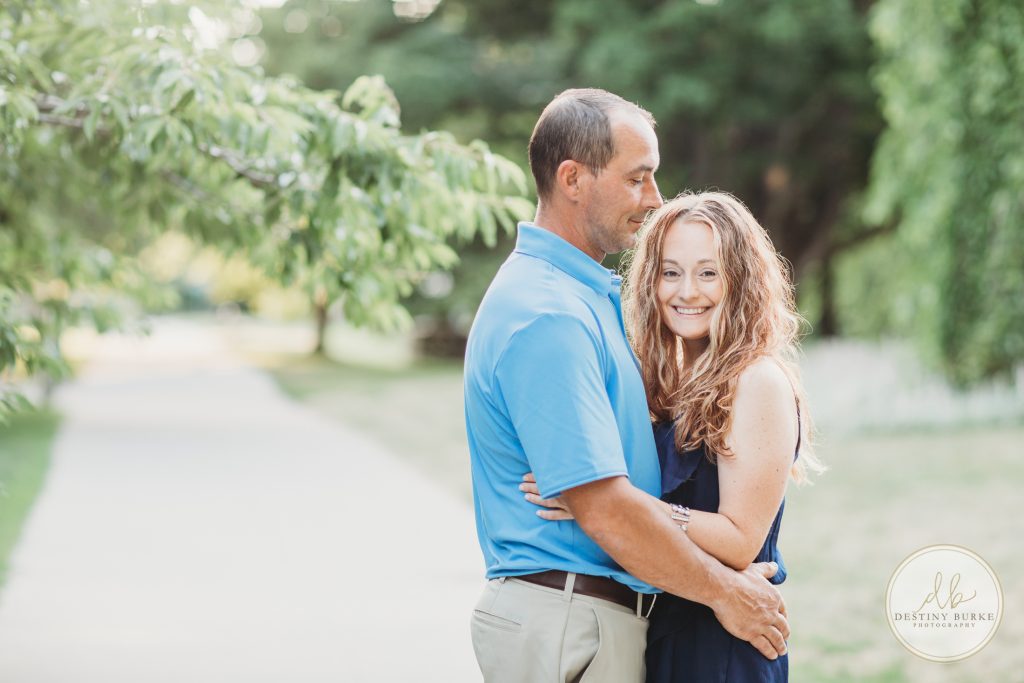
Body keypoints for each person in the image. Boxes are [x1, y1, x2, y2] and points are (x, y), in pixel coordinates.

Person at [464, 89, 789, 683]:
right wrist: (723, 591)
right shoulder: (550, 313)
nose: (655, 199)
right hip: (571, 617)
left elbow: (613, 504)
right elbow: (604, 510)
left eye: (708, 272)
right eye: (638, 179)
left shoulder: (580, 301)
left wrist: (622, 505)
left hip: (626, 618)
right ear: (573, 179)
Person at [523, 191, 824, 681]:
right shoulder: (672, 380)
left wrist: (609, 503)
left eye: (707, 272)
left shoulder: (757, 380)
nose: (686, 291)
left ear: (740, 280)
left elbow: (740, 541)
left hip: (722, 643)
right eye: (670, 272)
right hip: (670, 621)